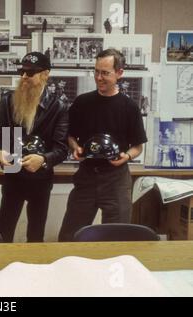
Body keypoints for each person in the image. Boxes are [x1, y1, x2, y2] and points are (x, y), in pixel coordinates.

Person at [58, 49, 147, 242]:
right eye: (96, 71)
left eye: (105, 73)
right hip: (86, 177)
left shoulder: (129, 107)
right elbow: (70, 136)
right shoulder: (82, 102)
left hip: (116, 180)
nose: (99, 77)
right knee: (69, 237)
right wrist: (75, 148)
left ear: (119, 73)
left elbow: (138, 146)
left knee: (117, 239)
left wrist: (127, 156)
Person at [0, 52, 69, 242]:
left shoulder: (58, 106)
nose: (24, 77)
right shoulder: (8, 100)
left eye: (31, 73)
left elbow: (61, 149)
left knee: (36, 234)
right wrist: (0, 150)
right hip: (13, 175)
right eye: (22, 72)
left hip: (41, 179)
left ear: (45, 74)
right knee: (4, 231)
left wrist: (43, 160)